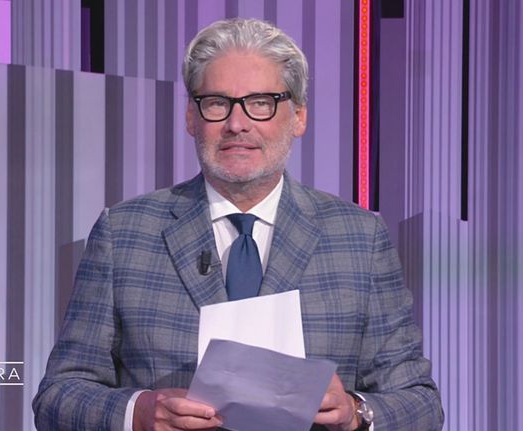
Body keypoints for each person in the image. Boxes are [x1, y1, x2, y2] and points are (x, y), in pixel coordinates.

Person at [33, 18, 443, 431]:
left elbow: (420, 403)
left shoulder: (360, 238)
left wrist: (356, 412)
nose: (237, 123)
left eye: (261, 102)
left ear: (298, 117)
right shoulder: (124, 233)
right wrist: (137, 412)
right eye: (217, 103)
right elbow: (57, 396)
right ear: (191, 117)